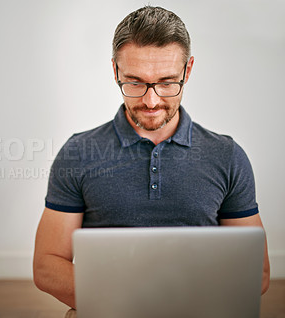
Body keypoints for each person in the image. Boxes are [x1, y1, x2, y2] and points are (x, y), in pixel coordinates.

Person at [33, 5, 270, 317]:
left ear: (188, 70)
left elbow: (258, 273)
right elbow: (47, 266)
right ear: (115, 71)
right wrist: (129, 303)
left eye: (167, 82)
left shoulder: (227, 156)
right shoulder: (78, 153)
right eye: (134, 82)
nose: (151, 100)